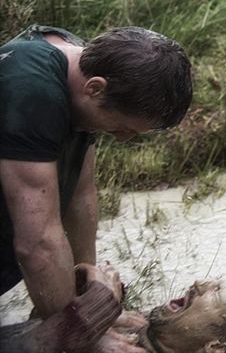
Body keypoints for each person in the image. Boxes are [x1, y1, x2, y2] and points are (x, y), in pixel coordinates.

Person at [0, 25, 193, 334]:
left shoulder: (80, 65)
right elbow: (38, 242)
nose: (123, 139)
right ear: (94, 88)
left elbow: (81, 192)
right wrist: (83, 334)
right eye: (122, 128)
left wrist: (89, 291)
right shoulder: (33, 89)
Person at [0, 264, 226, 353]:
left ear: (216, 348)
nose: (200, 282)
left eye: (217, 292)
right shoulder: (133, 326)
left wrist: (86, 322)